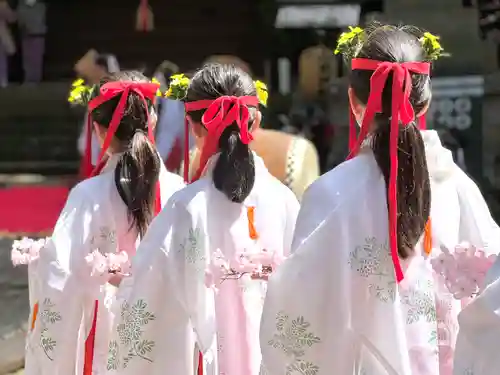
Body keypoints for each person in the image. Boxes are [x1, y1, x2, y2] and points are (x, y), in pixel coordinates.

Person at [259, 24, 500, 375]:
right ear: (426, 101)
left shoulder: (331, 195)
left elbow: (297, 315)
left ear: (355, 103)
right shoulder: (459, 190)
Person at [107, 63, 299, 375]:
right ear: (257, 121)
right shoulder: (286, 201)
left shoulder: (185, 206)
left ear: (194, 126)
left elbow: (145, 302)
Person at [24, 71, 185, 375]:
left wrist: (41, 262)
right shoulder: (180, 191)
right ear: (152, 120)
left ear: (98, 130)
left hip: (106, 333)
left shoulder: (87, 195)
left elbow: (60, 274)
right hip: (167, 330)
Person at [17, 0, 46, 83]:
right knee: (27, 58)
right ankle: (29, 79)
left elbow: (40, 19)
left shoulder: (41, 6)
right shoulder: (21, 5)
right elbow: (20, 20)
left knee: (37, 58)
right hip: (26, 35)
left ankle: (35, 79)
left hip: (37, 34)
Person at [0, 0, 15, 87]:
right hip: (1, 33)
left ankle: (3, 80)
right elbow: (11, 18)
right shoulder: (3, 4)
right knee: (2, 59)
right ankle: (3, 80)